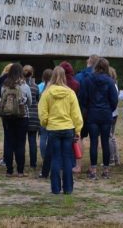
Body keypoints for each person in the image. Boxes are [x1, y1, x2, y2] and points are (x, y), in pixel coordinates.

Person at [38, 66, 83, 194]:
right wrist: (77, 130)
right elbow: (76, 114)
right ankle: (68, 188)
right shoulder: (70, 93)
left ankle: (55, 188)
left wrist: (46, 123)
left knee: (55, 158)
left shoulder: (47, 93)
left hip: (53, 129)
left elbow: (42, 112)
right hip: (68, 128)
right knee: (67, 158)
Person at [80, 57, 118, 179]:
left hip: (92, 113)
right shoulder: (110, 81)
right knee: (105, 142)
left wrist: (86, 111)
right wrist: (109, 109)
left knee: (94, 142)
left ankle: (93, 169)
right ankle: (106, 170)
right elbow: (114, 100)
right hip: (106, 113)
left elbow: (83, 98)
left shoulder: (87, 80)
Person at [0, 63, 32, 177]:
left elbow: (1, 101)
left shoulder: (4, 85)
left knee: (9, 143)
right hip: (22, 117)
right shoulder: (25, 86)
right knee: (20, 143)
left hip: (7, 117)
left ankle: (9, 170)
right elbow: (30, 102)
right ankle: (20, 171)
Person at [74, 54, 100, 173]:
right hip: (97, 110)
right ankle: (93, 165)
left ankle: (78, 165)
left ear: (88, 61)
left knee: (79, 136)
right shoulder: (102, 76)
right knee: (95, 139)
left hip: (82, 109)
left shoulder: (80, 76)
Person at [0, 63, 13, 167]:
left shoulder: (0, 82)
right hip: (19, 113)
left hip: (5, 113)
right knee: (18, 138)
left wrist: (0, 109)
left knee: (7, 136)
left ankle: (6, 159)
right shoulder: (19, 82)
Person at [23, 65, 40, 170]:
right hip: (34, 116)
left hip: (23, 115)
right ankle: (33, 163)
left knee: (21, 141)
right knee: (32, 140)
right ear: (32, 73)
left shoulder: (20, 86)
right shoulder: (35, 87)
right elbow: (37, 100)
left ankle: (21, 161)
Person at [108, 66, 120, 166]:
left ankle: (111, 158)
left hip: (111, 113)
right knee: (112, 136)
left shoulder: (111, 85)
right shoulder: (114, 85)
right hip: (114, 113)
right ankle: (116, 158)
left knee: (109, 136)